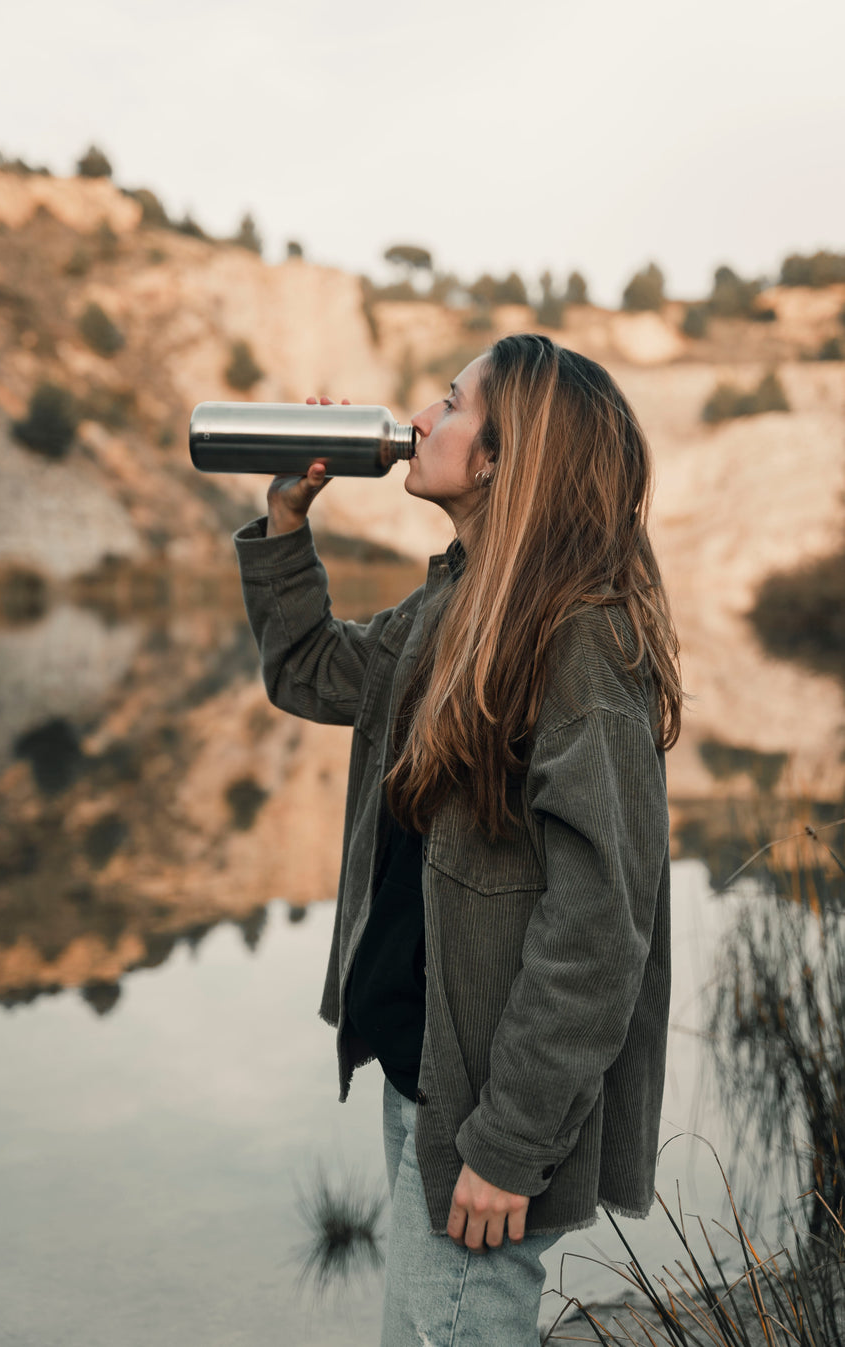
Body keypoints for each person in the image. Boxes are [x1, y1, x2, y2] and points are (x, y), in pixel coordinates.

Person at [233, 333, 681, 1346]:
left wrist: (511, 1144)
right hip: (426, 1074)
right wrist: (286, 519)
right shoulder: (459, 606)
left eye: (450, 402)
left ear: (500, 459)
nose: (420, 418)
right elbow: (309, 668)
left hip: (490, 1114)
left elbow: (602, 930)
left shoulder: (580, 645)